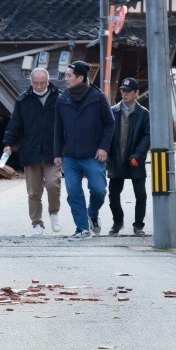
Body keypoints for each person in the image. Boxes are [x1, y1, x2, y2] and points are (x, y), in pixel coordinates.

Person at [53, 60, 114, 241]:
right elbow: (58, 127)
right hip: (70, 156)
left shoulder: (98, 97)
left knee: (99, 190)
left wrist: (104, 147)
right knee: (73, 192)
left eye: (69, 75)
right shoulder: (62, 99)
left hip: (93, 155)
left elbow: (110, 123)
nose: (66, 79)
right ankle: (82, 228)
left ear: (80, 78)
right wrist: (57, 153)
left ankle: (92, 213)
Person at [2, 68, 62, 235]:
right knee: (34, 191)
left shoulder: (60, 98)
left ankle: (54, 213)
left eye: (43, 83)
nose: (39, 86)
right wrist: (8, 143)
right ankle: (37, 222)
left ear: (48, 81)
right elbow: (15, 124)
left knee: (53, 184)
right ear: (31, 82)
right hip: (30, 151)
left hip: (53, 151)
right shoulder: (23, 100)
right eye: (36, 83)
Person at [107, 77, 151, 236]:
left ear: (136, 93)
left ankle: (138, 225)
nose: (125, 94)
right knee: (113, 195)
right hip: (116, 159)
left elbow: (147, 137)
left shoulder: (144, 114)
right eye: (123, 91)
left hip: (135, 160)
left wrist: (137, 155)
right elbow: (106, 135)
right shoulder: (113, 111)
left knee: (141, 195)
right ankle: (117, 222)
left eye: (128, 91)